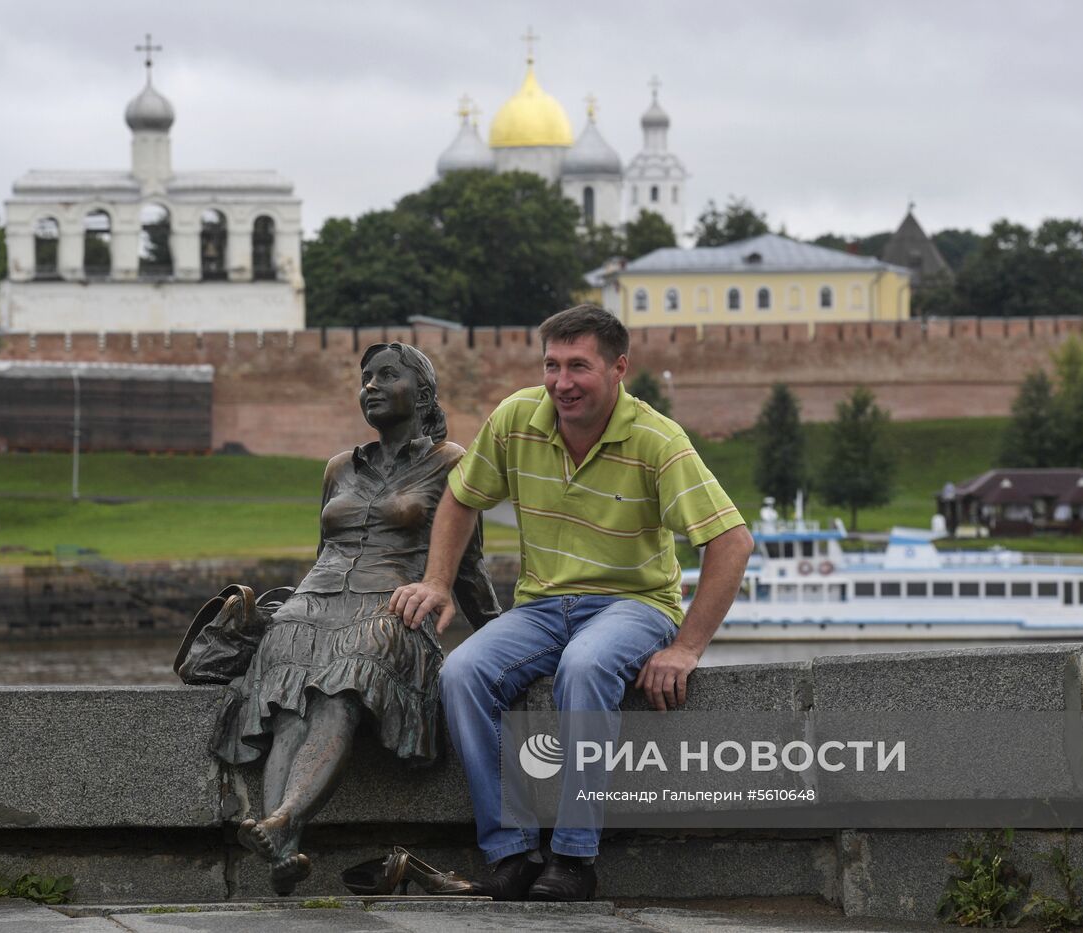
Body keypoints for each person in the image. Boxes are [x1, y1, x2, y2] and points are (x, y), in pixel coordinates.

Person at [390, 304, 754, 902]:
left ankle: (574, 857)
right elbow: (460, 499)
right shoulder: (516, 418)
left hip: (634, 604)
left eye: (579, 366)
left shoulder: (657, 439)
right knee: (460, 672)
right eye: (551, 365)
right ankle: (510, 852)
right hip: (541, 606)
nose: (561, 382)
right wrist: (435, 580)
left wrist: (686, 648)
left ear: (619, 369)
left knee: (584, 668)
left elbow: (732, 542)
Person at [214, 342, 499, 895]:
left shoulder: (452, 462)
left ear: (420, 393)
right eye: (364, 377)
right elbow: (323, 549)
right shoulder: (338, 467)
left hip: (392, 605)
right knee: (287, 699)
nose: (368, 385)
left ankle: (282, 824)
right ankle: (283, 839)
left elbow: (468, 564)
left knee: (343, 683)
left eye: (385, 376)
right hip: (312, 604)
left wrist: (504, 638)